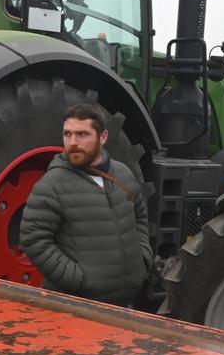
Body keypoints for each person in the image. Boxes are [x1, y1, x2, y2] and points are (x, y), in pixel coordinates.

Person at [19, 103, 151, 306]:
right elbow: (33, 239)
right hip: (77, 309)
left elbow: (140, 215)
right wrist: (79, 280)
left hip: (126, 304)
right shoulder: (51, 185)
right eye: (67, 134)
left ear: (103, 137)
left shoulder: (123, 174)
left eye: (82, 134)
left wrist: (141, 259)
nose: (72, 142)